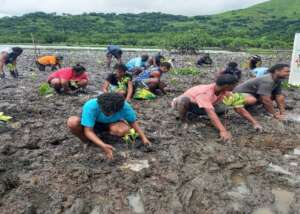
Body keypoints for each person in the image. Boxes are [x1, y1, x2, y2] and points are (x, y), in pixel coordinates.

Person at [67, 93, 151, 160]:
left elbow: (132, 123)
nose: (106, 114)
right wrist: (103, 146)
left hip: (110, 124)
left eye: (109, 112)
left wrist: (144, 138)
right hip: (91, 124)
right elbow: (88, 130)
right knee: (72, 122)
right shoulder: (91, 105)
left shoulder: (125, 107)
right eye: (104, 111)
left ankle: (128, 144)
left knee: (125, 130)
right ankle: (88, 141)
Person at [172, 74, 239, 142]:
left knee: (224, 109)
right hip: (187, 104)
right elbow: (210, 112)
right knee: (184, 100)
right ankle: (183, 120)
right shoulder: (206, 92)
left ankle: (195, 114)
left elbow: (236, 99)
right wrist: (223, 130)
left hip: (201, 105)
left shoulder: (222, 90)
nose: (235, 87)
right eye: (234, 85)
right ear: (227, 86)